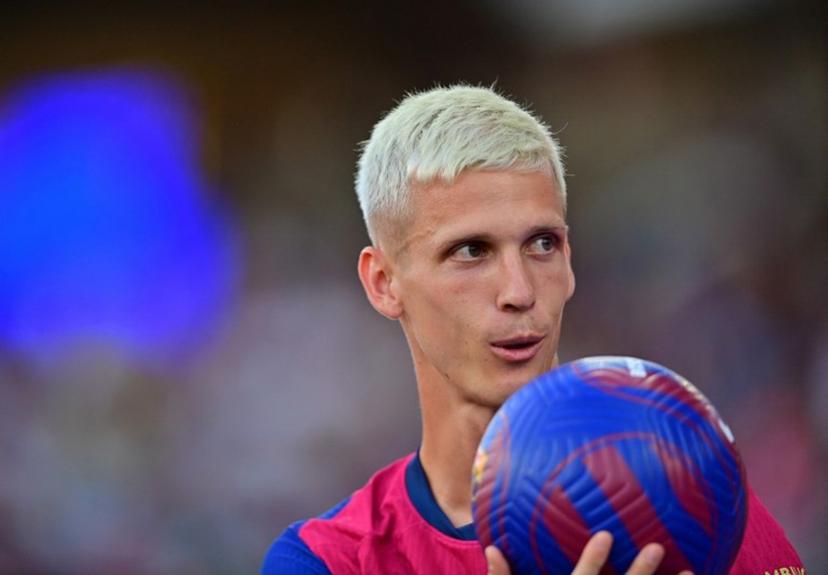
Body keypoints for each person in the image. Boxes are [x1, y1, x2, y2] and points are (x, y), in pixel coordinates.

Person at [262, 86, 804, 574]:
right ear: (383, 282)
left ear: (569, 261)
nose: (519, 291)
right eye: (470, 251)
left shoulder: (696, 502)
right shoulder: (329, 561)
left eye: (541, 244)